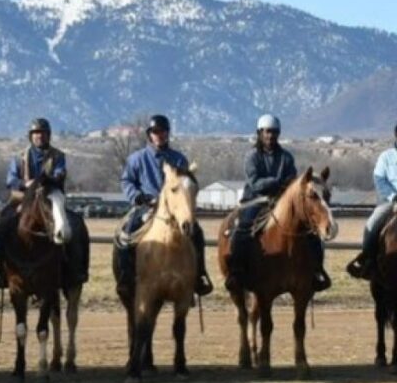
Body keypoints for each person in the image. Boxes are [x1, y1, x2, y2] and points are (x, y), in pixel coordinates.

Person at [226, 115, 331, 291]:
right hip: (255, 199)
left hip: (281, 200)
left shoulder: (287, 157)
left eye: (274, 132)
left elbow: (292, 183)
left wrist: (284, 186)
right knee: (243, 228)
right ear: (260, 133)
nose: (270, 136)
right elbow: (255, 183)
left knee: (310, 232)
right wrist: (277, 181)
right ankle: (237, 271)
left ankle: (316, 270)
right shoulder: (252, 156)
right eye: (267, 132)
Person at [115, 114, 213, 298]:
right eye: (155, 132)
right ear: (149, 135)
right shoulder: (137, 158)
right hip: (146, 206)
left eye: (163, 131)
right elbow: (127, 181)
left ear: (168, 134)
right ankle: (126, 278)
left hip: (175, 211)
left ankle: (199, 275)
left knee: (197, 233)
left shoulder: (179, 160)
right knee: (127, 233)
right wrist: (137, 197)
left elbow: (186, 185)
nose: (160, 135)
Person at [0, 118, 89, 291]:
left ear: (48, 136)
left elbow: (60, 173)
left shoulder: (58, 156)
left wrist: (47, 181)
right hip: (23, 198)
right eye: (36, 133)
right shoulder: (19, 157)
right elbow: (10, 179)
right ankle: (0, 268)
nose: (39, 137)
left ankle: (74, 269)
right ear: (31, 136)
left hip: (50, 196)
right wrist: (25, 184)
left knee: (73, 225)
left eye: (43, 133)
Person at [347, 122, 397, 280]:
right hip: (389, 202)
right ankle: (367, 261)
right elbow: (380, 180)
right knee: (372, 225)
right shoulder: (386, 157)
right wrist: (394, 198)